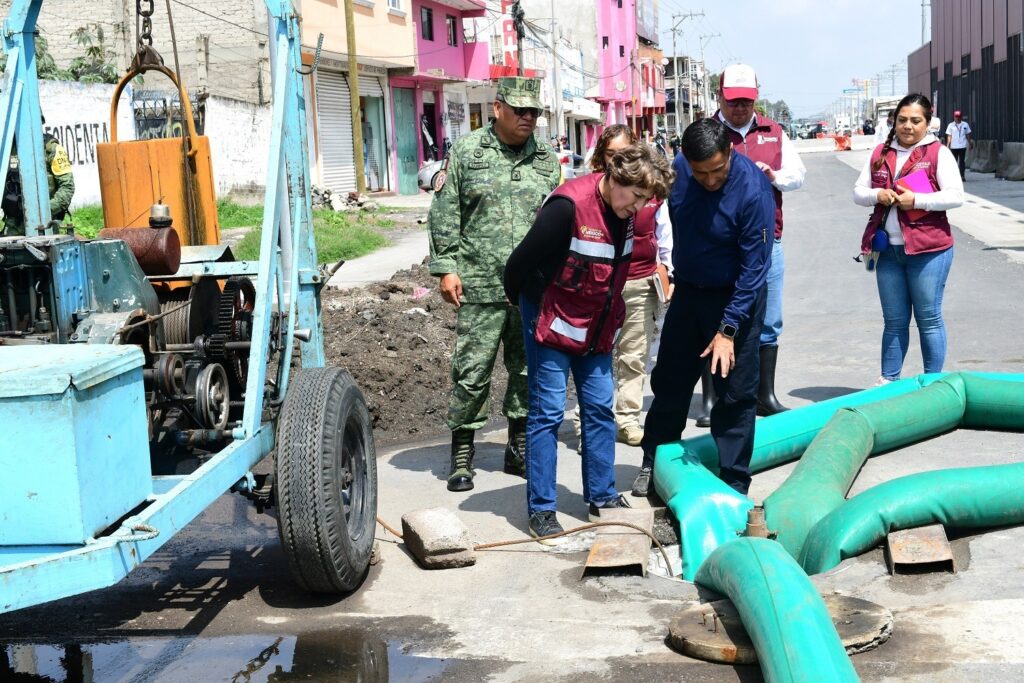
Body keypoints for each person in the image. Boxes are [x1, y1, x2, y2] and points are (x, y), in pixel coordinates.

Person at [504, 143, 673, 542]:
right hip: (552, 320)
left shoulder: (625, 212)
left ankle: (602, 495)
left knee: (599, 407)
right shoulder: (568, 207)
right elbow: (517, 267)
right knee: (547, 411)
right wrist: (532, 312)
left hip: (595, 323)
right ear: (615, 178)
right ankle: (542, 509)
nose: (638, 208)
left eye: (645, 201)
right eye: (635, 198)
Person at [428, 77, 560, 492]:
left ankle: (518, 444)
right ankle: (463, 451)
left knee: (525, 371)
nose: (528, 118)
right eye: (520, 110)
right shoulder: (468, 151)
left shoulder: (547, 159)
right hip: (479, 282)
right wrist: (446, 266)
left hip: (531, 288)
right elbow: (446, 210)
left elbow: (559, 220)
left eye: (534, 112)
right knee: (472, 371)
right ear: (497, 108)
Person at [631, 118, 774, 498]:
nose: (710, 180)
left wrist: (727, 330)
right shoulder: (678, 172)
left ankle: (733, 480)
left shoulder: (754, 192)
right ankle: (654, 460)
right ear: (685, 162)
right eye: (701, 174)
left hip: (735, 297)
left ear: (730, 152)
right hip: (690, 293)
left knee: (734, 393)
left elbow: (754, 268)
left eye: (717, 171)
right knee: (671, 383)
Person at [692, 63, 805, 427]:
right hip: (719, 244)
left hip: (767, 241)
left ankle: (763, 396)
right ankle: (711, 400)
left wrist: (775, 176)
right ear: (719, 97)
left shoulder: (773, 132)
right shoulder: (707, 133)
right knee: (715, 320)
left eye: (746, 101)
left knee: (769, 321)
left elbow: (797, 175)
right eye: (732, 101)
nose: (739, 108)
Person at [853, 93, 963, 384]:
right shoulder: (880, 152)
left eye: (916, 121)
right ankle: (888, 383)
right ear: (894, 121)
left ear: (928, 123)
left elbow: (956, 196)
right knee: (894, 322)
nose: (908, 126)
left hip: (929, 251)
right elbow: (858, 192)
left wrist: (918, 200)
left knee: (928, 319)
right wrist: (878, 194)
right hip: (887, 251)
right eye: (902, 120)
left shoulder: (938, 153)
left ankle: (932, 384)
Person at [576, 124, 673, 448]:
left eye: (623, 154)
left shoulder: (652, 195)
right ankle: (585, 417)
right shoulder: (588, 197)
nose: (617, 160)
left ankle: (627, 419)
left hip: (638, 282)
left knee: (634, 355)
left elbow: (664, 237)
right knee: (593, 354)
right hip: (596, 287)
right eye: (611, 155)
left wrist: (668, 273)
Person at [2, 122, 75, 236]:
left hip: (44, 223)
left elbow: (67, 187)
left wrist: (44, 210)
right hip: (13, 224)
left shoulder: (51, 149)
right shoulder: (7, 148)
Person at [945, 109, 973, 181]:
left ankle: (962, 176)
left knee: (962, 162)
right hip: (954, 146)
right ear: (954, 117)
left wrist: (970, 143)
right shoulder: (951, 125)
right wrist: (947, 145)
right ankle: (954, 176)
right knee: (954, 162)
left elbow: (968, 134)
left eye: (959, 116)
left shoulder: (965, 124)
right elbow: (949, 136)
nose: (957, 118)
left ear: (961, 117)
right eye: (956, 117)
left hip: (962, 146)